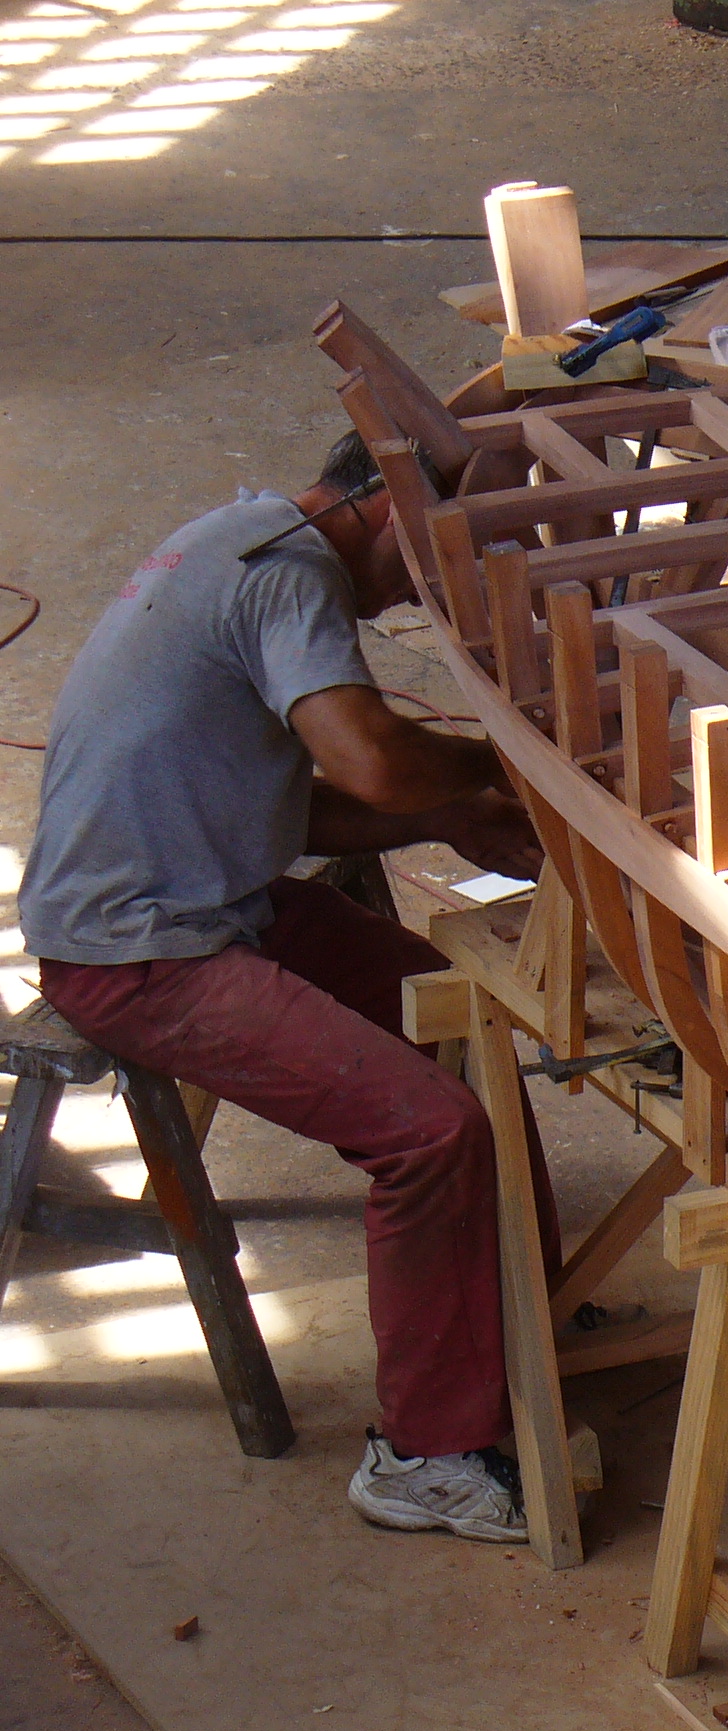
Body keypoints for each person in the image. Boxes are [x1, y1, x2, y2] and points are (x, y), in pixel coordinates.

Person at [19, 432, 552, 1545]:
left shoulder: (244, 540)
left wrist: (451, 819)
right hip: (138, 946)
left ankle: (521, 1316)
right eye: (425, 565)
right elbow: (367, 761)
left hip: (215, 895)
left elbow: (291, 805)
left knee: (465, 1018)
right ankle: (426, 1456)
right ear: (382, 512)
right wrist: (506, 761)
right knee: (429, 1131)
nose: (418, 597)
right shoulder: (288, 574)